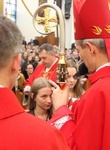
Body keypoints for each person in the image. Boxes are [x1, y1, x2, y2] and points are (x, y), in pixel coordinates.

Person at [48, 0, 110, 149]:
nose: (81, 57)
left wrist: (61, 109)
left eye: (80, 50)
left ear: (90, 48)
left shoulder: (98, 93)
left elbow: (77, 146)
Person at [0, 15, 69, 150]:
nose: (42, 61)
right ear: (16, 62)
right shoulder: (46, 136)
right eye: (41, 58)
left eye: (44, 58)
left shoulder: (60, 69)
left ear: (52, 55)